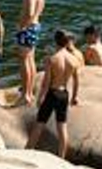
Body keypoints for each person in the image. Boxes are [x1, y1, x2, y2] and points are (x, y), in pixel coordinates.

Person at [33, 30, 82, 159]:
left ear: (55, 41)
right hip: (64, 94)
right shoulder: (74, 59)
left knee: (39, 124)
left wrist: (40, 98)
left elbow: (46, 82)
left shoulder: (51, 59)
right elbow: (77, 81)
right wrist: (74, 97)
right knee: (62, 127)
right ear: (67, 42)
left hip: (52, 93)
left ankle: (27, 151)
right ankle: (61, 157)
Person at [12, 0, 47, 106]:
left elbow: (30, 12)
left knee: (23, 61)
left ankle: (26, 95)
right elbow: (42, 6)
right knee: (30, 59)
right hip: (36, 26)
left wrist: (22, 27)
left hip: (27, 28)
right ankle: (30, 91)